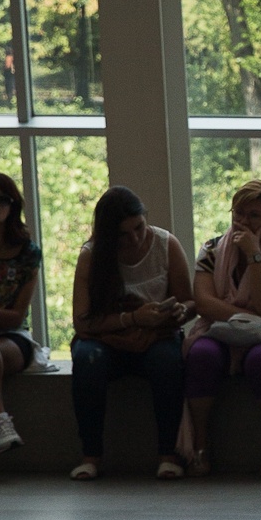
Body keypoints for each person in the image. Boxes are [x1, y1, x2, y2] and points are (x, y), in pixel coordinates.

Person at [180, 177, 261, 476]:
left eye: (253, 215)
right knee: (201, 356)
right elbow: (205, 303)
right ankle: (200, 445)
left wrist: (254, 256)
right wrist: (252, 317)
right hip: (218, 330)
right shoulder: (211, 250)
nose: (243, 222)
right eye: (238, 214)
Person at [69, 186, 191, 480]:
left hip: (156, 337)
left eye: (139, 228)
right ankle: (91, 456)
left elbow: (189, 300)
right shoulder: (92, 255)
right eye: (123, 234)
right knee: (88, 360)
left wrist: (176, 313)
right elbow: (83, 321)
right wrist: (132, 319)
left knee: (167, 362)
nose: (134, 238)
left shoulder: (166, 244)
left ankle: (167, 454)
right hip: (106, 340)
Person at [0, 172, 40, 458]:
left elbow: (15, 317)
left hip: (14, 338)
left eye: (1, 201)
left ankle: (1, 421)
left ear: (13, 205)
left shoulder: (27, 252)